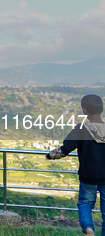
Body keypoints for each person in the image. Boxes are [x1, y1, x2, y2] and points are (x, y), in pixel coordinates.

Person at [46, 94, 105, 236]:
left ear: (85, 111)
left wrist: (49, 155)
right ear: (102, 109)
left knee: (85, 203)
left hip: (87, 177)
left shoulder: (81, 129)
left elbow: (65, 149)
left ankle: (89, 229)